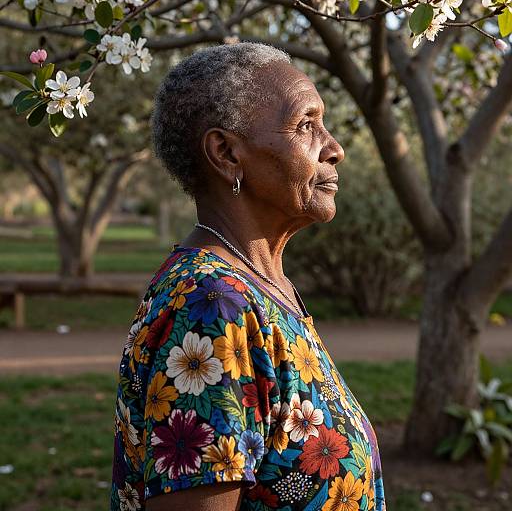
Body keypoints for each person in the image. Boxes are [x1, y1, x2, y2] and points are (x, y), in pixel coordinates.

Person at [110, 41, 386, 511]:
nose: (334, 148)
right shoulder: (210, 308)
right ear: (226, 153)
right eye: (306, 125)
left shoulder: (261, 288)